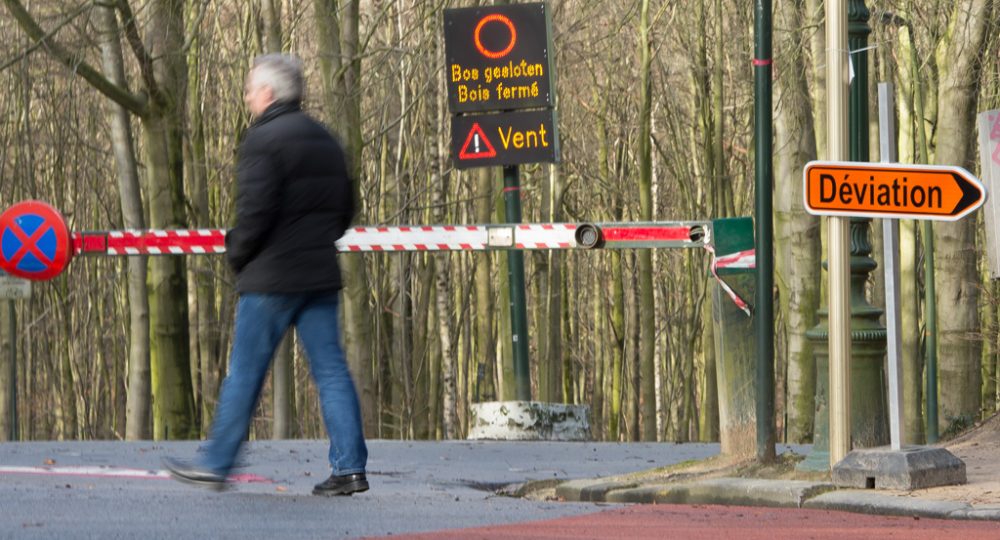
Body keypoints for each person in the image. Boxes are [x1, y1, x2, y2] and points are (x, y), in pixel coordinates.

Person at [163, 53, 368, 496]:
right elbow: (345, 209)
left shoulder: (262, 141)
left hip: (271, 278)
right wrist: (317, 241)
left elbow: (254, 212)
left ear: (269, 93)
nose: (247, 97)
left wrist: (237, 252)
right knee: (332, 371)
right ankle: (350, 468)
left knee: (245, 373)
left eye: (251, 89)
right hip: (319, 274)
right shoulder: (327, 139)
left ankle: (217, 464)